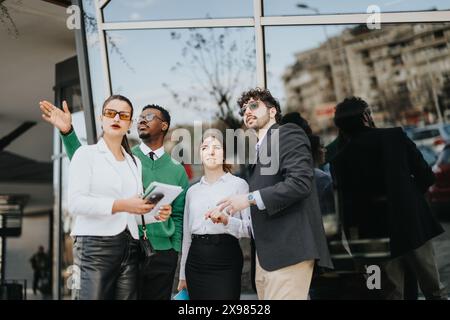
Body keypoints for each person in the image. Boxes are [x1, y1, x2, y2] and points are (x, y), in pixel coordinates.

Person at [39, 101, 189, 300]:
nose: (143, 120)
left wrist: (173, 248)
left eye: (149, 117)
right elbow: (83, 160)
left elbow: (177, 214)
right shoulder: (126, 157)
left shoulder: (167, 168)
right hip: (124, 246)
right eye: (140, 117)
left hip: (159, 252)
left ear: (164, 126)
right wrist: (68, 133)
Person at [216, 88, 333, 300]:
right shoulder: (257, 151)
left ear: (272, 112)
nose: (247, 112)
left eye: (253, 106)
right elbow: (264, 210)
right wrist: (230, 220)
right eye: (243, 109)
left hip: (289, 252)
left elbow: (299, 183)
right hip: (266, 258)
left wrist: (248, 199)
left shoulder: (287, 133)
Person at [331, 96, 447, 300]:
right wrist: (407, 196)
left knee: (389, 293)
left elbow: (346, 208)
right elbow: (426, 176)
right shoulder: (395, 137)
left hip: (374, 236)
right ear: (366, 117)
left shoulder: (339, 160)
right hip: (411, 225)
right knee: (433, 289)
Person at [177, 134, 251, 300]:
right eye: (205, 148)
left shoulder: (239, 185)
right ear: (200, 155)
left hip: (226, 259)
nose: (210, 152)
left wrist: (227, 221)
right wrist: (182, 275)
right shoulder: (192, 191)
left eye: (216, 147)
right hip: (195, 261)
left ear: (224, 154)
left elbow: (250, 228)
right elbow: (187, 237)